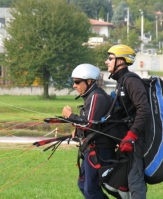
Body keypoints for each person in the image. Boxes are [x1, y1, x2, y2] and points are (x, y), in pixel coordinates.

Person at [62, 63, 116, 199]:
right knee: (83, 185)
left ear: (89, 81)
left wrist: (70, 116)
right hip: (91, 149)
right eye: (74, 82)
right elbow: (92, 123)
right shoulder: (91, 97)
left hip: (99, 150)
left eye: (77, 82)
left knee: (91, 190)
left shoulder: (96, 97)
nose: (74, 85)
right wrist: (78, 132)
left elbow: (88, 124)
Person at [105, 44, 150, 199]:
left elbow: (144, 109)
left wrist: (132, 135)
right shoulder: (121, 81)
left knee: (134, 179)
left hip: (136, 139)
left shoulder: (131, 81)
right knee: (122, 180)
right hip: (127, 137)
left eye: (110, 58)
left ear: (121, 61)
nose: (107, 62)